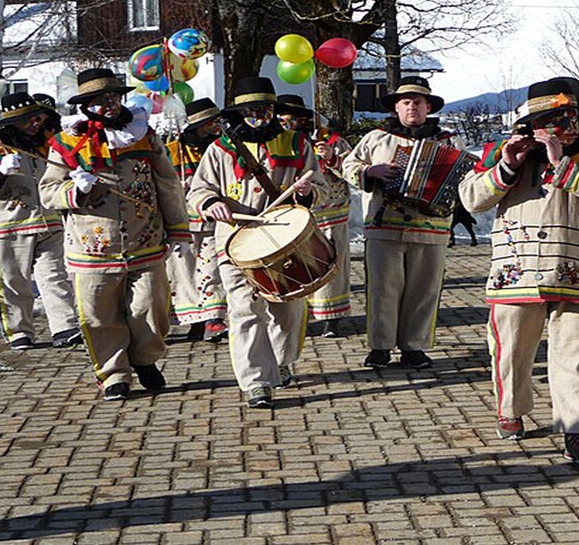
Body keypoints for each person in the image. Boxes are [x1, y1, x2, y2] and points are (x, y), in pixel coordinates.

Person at [458, 78, 579, 466]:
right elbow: (471, 198)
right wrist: (509, 164)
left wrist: (562, 164)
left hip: (577, 270)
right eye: (555, 120)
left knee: (577, 354)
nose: (566, 128)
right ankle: (512, 408)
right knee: (511, 349)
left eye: (572, 119)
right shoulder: (501, 150)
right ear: (533, 124)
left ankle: (578, 430)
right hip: (517, 270)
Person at [39, 68, 190, 401]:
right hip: (92, 247)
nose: (107, 105)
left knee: (151, 307)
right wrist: (74, 190)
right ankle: (113, 374)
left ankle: (144, 358)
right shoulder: (67, 143)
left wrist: (178, 228)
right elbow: (48, 192)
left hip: (145, 240)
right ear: (85, 105)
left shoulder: (143, 135)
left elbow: (167, 184)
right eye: (98, 101)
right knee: (98, 315)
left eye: (111, 98)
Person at [187, 77, 326, 408]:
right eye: (250, 111)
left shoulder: (297, 144)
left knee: (289, 312)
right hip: (236, 245)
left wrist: (311, 193)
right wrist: (210, 203)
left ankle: (281, 361)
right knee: (245, 311)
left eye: (264, 111)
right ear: (238, 114)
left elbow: (322, 186)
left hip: (286, 243)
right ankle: (256, 381)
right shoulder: (220, 149)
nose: (258, 117)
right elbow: (198, 191)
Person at [342, 76, 460, 370]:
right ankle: (380, 347)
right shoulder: (376, 139)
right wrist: (371, 171)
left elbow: (463, 175)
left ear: (428, 107)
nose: (412, 107)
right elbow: (348, 165)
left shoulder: (448, 141)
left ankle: (414, 347)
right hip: (385, 226)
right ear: (396, 107)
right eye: (405, 102)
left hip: (432, 228)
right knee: (383, 289)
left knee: (425, 290)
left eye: (418, 102)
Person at [0, 92, 81, 349]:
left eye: (38, 118)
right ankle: (19, 332)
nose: (37, 123)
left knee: (54, 276)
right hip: (7, 226)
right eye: (30, 120)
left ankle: (65, 327)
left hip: (49, 222)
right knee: (13, 282)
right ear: (14, 122)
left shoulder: (47, 144)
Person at [277, 93, 352, 338]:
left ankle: (332, 317)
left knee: (331, 262)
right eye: (280, 115)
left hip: (331, 211)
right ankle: (302, 315)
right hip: (299, 215)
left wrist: (331, 158)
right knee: (301, 265)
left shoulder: (331, 140)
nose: (283, 120)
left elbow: (352, 171)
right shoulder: (282, 142)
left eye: (288, 115)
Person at [165, 98, 229, 343]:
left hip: (215, 222)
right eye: (209, 123)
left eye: (217, 122)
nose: (215, 127)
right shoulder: (171, 150)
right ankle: (196, 319)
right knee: (185, 272)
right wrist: (176, 187)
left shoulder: (224, 148)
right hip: (182, 222)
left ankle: (215, 318)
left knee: (212, 268)